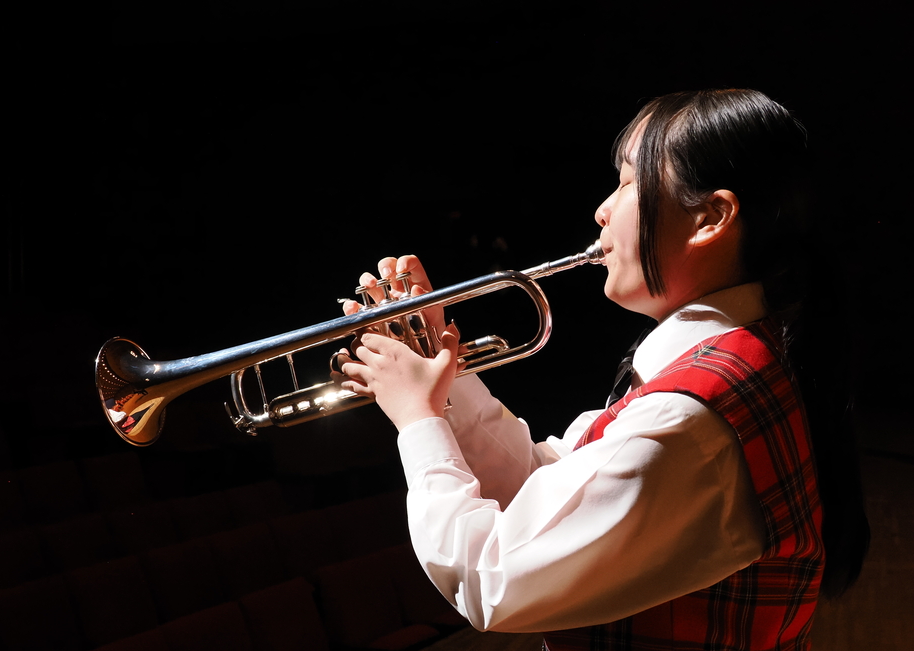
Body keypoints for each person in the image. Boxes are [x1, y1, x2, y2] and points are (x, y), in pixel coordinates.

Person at [334, 89, 868, 650]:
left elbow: (491, 580)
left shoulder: (690, 419)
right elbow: (544, 492)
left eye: (629, 182)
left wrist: (418, 419)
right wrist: (441, 375)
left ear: (709, 218)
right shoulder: (725, 364)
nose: (602, 210)